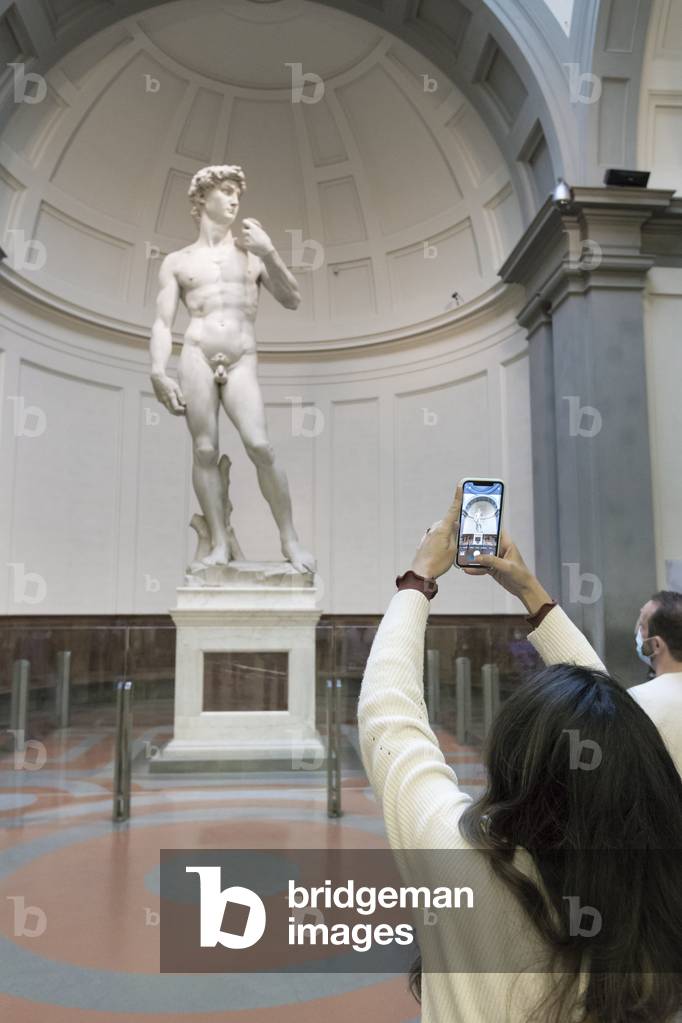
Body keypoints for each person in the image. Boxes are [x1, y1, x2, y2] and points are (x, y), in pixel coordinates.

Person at [358, 485, 682, 1023]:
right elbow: (610, 731)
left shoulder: (457, 858)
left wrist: (419, 577)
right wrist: (532, 592)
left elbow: (387, 716)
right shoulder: (660, 872)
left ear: (511, 762)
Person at [148, 163, 315, 573]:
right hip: (197, 353)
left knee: (260, 445)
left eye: (237, 192)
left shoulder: (252, 256)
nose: (235, 198)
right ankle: (220, 543)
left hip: (241, 357)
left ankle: (290, 539)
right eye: (225, 190)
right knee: (204, 450)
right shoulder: (177, 262)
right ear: (202, 197)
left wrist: (269, 251)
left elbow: (292, 298)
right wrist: (157, 370)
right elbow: (162, 322)